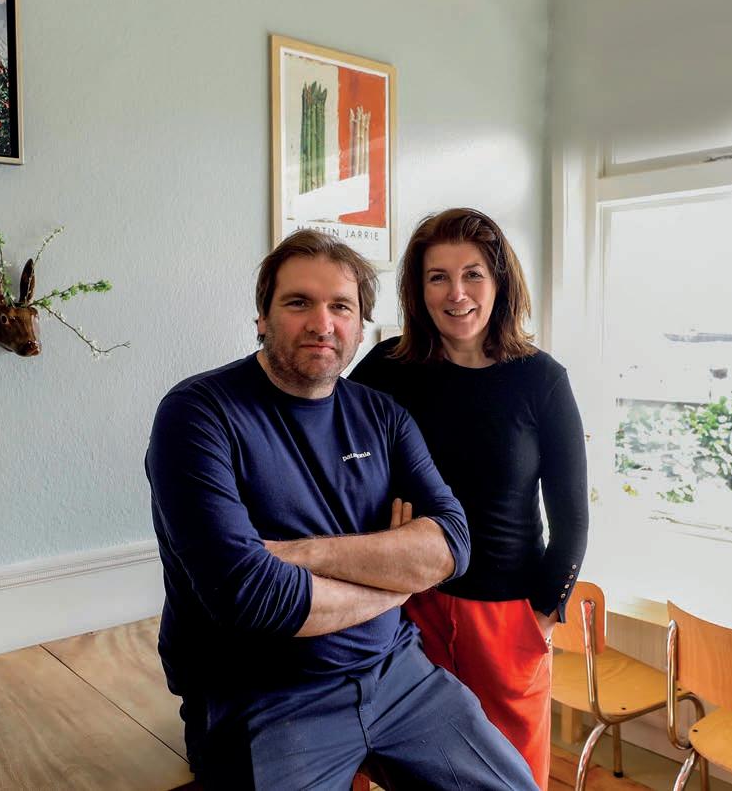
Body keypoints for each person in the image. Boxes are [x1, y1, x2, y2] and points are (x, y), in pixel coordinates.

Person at [146, 229, 537, 790]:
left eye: (341, 307)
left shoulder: (384, 415)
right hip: (262, 698)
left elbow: (453, 544)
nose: (322, 323)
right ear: (262, 318)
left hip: (397, 676)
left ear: (360, 325)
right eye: (298, 303)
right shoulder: (198, 415)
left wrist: (298, 555)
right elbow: (250, 596)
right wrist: (399, 583)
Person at [348, 207, 589, 789]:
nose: (456, 294)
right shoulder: (388, 368)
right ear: (419, 289)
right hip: (408, 604)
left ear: (499, 281)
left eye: (473, 274)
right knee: (419, 770)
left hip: (506, 614)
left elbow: (573, 516)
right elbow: (333, 455)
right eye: (438, 277)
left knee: (511, 773)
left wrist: (544, 614)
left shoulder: (541, 379)